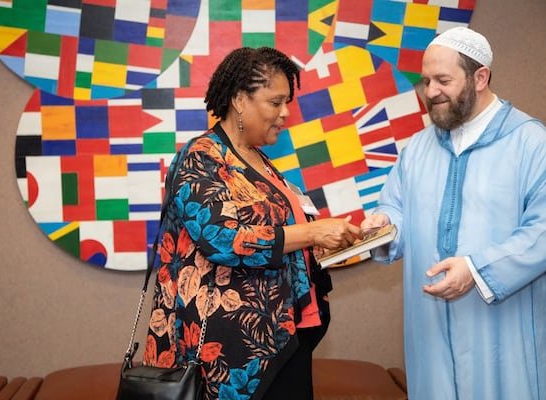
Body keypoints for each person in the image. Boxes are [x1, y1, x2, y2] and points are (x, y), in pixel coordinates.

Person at [143, 46, 360, 400]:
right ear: (240, 100)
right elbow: (222, 239)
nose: (286, 113)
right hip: (226, 354)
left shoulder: (261, 161)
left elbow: (282, 235)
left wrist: (332, 240)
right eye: (275, 102)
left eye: (287, 102)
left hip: (280, 339)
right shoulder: (201, 157)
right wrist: (311, 232)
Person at [361, 27, 546, 399]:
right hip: (429, 333)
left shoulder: (531, 142)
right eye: (426, 80)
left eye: (443, 80)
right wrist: (382, 226)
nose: (430, 92)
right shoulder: (416, 148)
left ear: (480, 77)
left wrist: (477, 269)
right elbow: (394, 207)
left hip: (500, 328)